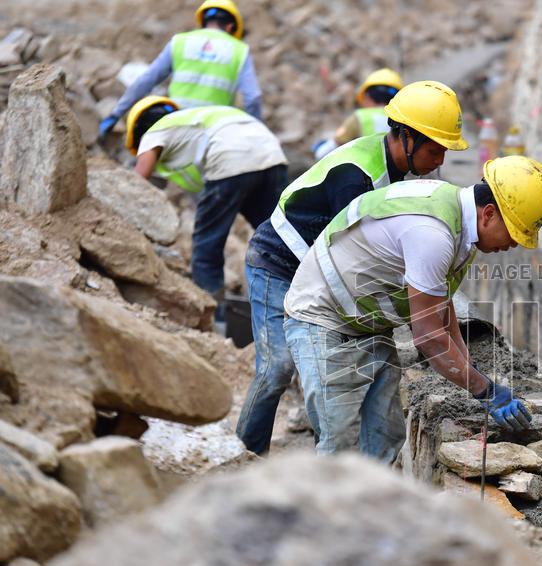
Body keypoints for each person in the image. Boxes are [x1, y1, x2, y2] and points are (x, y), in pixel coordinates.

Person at [236, 80, 467, 456]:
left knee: (351, 374)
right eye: (434, 149)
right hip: (278, 263)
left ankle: (346, 462)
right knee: (277, 366)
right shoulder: (357, 178)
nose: (439, 160)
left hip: (320, 275)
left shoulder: (394, 171)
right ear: (406, 136)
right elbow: (352, 262)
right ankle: (245, 454)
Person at [282, 155, 542, 460]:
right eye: (514, 233)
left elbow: (441, 307)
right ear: (489, 213)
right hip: (322, 317)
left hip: (365, 319)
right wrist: (485, 390)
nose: (515, 244)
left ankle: (374, 492)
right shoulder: (434, 234)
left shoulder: (458, 223)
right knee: (339, 439)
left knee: (385, 435)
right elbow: (428, 337)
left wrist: (468, 369)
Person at [125, 95, 287, 325]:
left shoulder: (154, 132)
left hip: (231, 159)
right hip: (272, 154)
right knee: (281, 239)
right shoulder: (193, 120)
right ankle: (293, 312)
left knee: (206, 247)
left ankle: (213, 322)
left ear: (138, 131)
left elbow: (135, 182)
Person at [99, 0, 262, 139]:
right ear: (231, 27)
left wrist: (116, 113)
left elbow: (146, 80)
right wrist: (254, 132)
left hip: (176, 125)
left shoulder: (180, 42)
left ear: (203, 21)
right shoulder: (240, 51)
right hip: (213, 131)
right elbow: (252, 97)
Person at [312, 67, 403, 160]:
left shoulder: (360, 118)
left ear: (367, 97)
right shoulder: (402, 119)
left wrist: (319, 148)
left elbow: (323, 153)